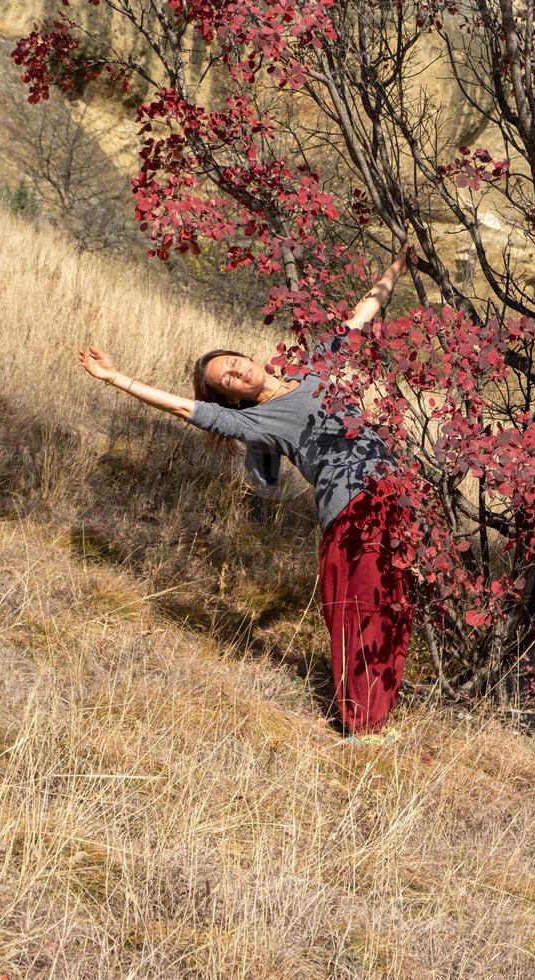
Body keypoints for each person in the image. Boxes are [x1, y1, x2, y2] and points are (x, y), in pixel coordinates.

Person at [76, 244, 417, 738]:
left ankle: (379, 713)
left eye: (234, 361)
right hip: (349, 508)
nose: (237, 371)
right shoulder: (253, 422)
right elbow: (181, 409)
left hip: (393, 493)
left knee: (394, 601)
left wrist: (398, 265)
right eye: (227, 379)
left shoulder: (311, 370)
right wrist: (117, 379)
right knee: (359, 608)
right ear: (229, 398)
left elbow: (361, 315)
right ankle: (363, 726)